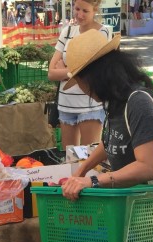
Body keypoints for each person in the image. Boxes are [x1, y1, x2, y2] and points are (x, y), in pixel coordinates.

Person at [59, 30, 153, 201]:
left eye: (79, 83)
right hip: (126, 201)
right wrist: (82, 169)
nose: (83, 91)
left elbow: (148, 167)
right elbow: (111, 141)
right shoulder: (116, 100)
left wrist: (92, 181)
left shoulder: (138, 103)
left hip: (146, 204)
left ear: (93, 77)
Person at [48, 0, 112, 149]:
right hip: (66, 105)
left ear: (95, 10)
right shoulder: (68, 32)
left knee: (89, 160)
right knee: (70, 161)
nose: (80, 15)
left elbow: (98, 73)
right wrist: (78, 71)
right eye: (77, 9)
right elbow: (51, 73)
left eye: (85, 11)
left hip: (90, 106)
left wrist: (64, 70)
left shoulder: (103, 33)